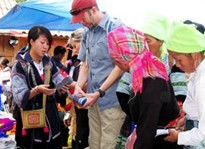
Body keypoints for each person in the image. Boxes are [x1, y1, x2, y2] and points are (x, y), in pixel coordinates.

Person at [107, 26, 180, 149]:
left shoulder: (152, 82)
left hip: (158, 142)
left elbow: (147, 129)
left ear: (125, 57)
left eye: (116, 58)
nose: (115, 63)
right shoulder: (145, 73)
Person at [70, 0, 127, 148]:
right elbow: (85, 65)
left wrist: (100, 92)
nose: (81, 23)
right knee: (94, 143)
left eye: (83, 18)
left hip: (111, 101)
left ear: (93, 10)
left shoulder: (116, 28)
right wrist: (78, 88)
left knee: (108, 145)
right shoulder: (88, 33)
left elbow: (121, 66)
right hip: (92, 101)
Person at [11, 26, 69, 149]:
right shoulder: (20, 65)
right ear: (31, 42)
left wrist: (63, 89)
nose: (45, 47)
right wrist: (37, 90)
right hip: (31, 117)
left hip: (50, 114)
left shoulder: (48, 62)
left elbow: (60, 80)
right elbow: (19, 96)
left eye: (47, 43)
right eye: (42, 42)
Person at [164, 21, 205, 148]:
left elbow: (203, 134)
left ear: (194, 55)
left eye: (179, 59)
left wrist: (179, 137)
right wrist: (187, 118)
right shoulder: (196, 72)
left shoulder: (202, 82)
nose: (176, 64)